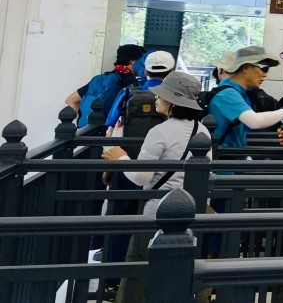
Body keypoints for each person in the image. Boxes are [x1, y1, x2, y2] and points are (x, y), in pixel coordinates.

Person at [101, 71, 210, 303]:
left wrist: (120, 158)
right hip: (190, 212)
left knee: (141, 274)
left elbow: (142, 177)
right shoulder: (202, 130)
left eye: (162, 96)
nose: (157, 99)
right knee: (182, 274)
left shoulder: (159, 131)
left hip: (158, 213)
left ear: (173, 102)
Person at [209, 46, 283, 151]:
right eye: (264, 68)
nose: (265, 75)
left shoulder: (240, 93)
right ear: (246, 67)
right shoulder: (227, 94)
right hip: (223, 157)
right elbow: (255, 121)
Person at [66, 44, 145, 126]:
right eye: (142, 61)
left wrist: (83, 118)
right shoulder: (132, 83)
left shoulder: (100, 79)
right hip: (108, 131)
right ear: (132, 60)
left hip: (86, 130)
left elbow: (70, 100)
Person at [105, 50, 174, 136]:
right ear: (172, 72)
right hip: (163, 143)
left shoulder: (127, 92)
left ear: (145, 71)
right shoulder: (175, 96)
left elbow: (110, 129)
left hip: (131, 143)